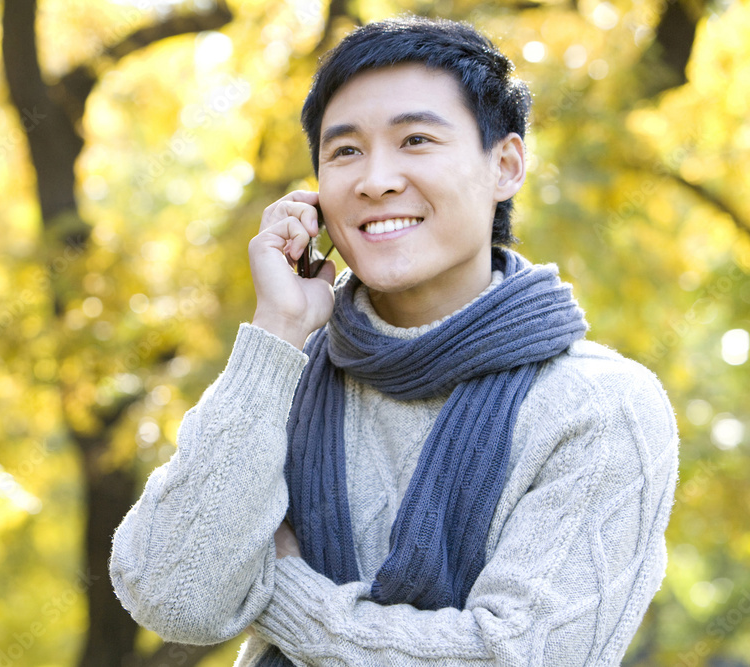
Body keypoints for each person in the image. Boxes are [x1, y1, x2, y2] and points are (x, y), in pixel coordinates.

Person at [110, 15, 679, 666]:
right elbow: (173, 598)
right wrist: (277, 331)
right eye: (345, 151)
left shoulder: (600, 408)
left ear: (506, 164)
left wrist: (284, 591)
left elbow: (516, 656)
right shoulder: (280, 378)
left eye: (415, 140)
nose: (376, 179)